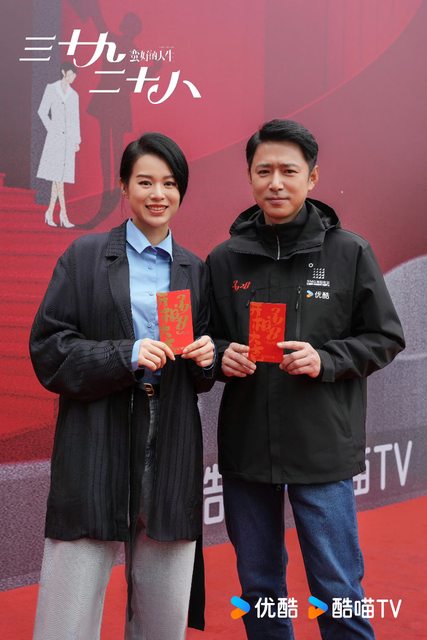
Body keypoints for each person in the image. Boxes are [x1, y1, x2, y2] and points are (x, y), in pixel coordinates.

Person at [207, 119, 405, 640]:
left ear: (312, 178)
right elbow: (203, 342)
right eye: (264, 171)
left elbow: (385, 337)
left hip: (322, 448)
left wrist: (326, 359)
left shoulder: (349, 252)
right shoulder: (224, 259)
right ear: (250, 177)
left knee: (336, 589)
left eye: (288, 171)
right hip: (248, 449)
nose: (275, 183)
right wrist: (222, 355)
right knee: (259, 590)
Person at [30, 132, 215, 640]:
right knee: (68, 609)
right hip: (95, 439)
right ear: (123, 186)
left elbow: (202, 371)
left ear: (181, 190)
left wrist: (208, 356)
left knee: (163, 612)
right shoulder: (85, 256)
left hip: (170, 442)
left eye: (170, 183)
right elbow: (49, 350)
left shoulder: (194, 270)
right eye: (145, 182)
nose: (158, 194)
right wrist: (125, 354)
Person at [36, 61, 81, 228]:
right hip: (54, 140)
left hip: (68, 141)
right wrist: (52, 129)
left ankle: (49, 212)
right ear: (64, 72)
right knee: (58, 178)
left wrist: (76, 140)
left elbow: (75, 120)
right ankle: (63, 214)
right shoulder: (51, 89)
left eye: (74, 76)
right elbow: (42, 111)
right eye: (71, 74)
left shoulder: (74, 95)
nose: (73, 78)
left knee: (58, 178)